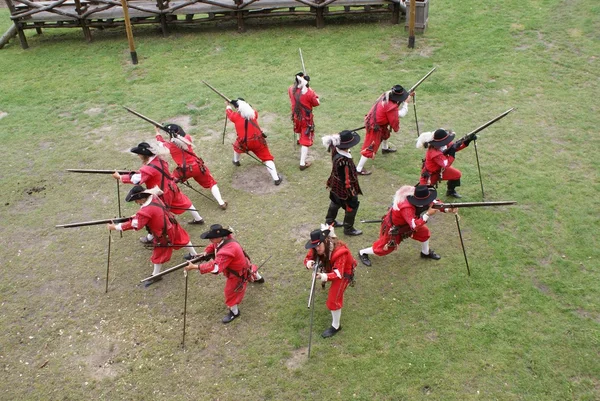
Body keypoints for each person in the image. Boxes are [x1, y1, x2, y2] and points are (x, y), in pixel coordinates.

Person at [112, 141, 205, 246]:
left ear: (144, 155)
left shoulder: (148, 168)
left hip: (162, 194)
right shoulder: (159, 160)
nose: (138, 156)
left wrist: (120, 177)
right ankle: (198, 218)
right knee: (185, 202)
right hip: (171, 187)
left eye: (139, 154)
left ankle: (152, 237)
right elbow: (144, 174)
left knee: (156, 217)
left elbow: (137, 180)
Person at [107, 186, 198, 287]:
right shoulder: (154, 197)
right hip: (171, 224)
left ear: (142, 198)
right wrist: (135, 216)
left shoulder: (145, 211)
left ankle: (156, 275)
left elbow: (136, 224)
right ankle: (195, 255)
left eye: (136, 200)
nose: (136, 202)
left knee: (159, 254)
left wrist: (115, 227)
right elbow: (143, 215)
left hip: (163, 234)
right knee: (183, 239)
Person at [357, 184, 456, 267]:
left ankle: (425, 253)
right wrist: (427, 214)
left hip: (409, 224)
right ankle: (363, 252)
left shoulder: (421, 195)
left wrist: (448, 209)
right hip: (396, 228)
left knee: (424, 233)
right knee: (384, 249)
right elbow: (414, 226)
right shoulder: (406, 207)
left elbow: (435, 203)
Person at [184, 224, 264, 324]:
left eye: (212, 238)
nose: (210, 240)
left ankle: (234, 312)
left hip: (237, 272)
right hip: (243, 264)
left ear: (219, 237)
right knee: (250, 269)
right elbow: (214, 245)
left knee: (230, 292)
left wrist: (194, 267)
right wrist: (206, 252)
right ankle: (259, 278)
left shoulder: (226, 250)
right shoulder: (225, 238)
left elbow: (216, 267)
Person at [155, 124, 228, 210]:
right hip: (197, 166)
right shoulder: (187, 138)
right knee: (211, 182)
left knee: (169, 184)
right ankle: (221, 202)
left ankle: (162, 202)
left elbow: (160, 143)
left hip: (183, 171)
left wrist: (157, 131)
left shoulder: (169, 146)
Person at [304, 226, 356, 338]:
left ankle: (336, 326)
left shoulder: (340, 252)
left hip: (344, 272)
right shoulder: (316, 247)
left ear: (325, 241)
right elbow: (308, 257)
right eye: (315, 246)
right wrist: (309, 262)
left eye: (319, 245)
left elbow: (338, 274)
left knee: (333, 300)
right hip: (331, 268)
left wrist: (322, 276)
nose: (317, 249)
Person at [355, 85, 412, 176]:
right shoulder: (391, 106)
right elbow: (401, 114)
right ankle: (358, 169)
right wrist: (406, 103)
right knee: (370, 147)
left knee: (385, 134)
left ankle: (385, 148)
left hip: (378, 123)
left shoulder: (386, 95)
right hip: (375, 126)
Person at [225, 99, 282, 185]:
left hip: (244, 142)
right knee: (267, 158)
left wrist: (228, 105)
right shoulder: (253, 113)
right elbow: (249, 109)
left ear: (238, 109)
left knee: (237, 146)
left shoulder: (235, 117)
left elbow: (229, 112)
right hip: (258, 141)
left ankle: (236, 160)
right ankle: (276, 178)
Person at [322, 130, 363, 236]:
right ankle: (348, 229)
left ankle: (329, 221)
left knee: (335, 201)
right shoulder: (344, 161)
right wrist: (352, 193)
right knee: (352, 205)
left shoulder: (335, 148)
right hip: (344, 188)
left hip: (335, 183)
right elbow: (347, 181)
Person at [416, 128, 476, 198]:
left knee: (457, 174)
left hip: (441, 170)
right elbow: (446, 163)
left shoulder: (443, 144)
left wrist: (467, 141)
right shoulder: (434, 153)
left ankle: (451, 191)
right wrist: (452, 152)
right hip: (430, 175)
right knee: (424, 195)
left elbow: (454, 147)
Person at [288, 72, 320, 170]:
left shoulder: (290, 89)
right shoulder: (309, 93)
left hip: (296, 116)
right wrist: (310, 89)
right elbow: (317, 103)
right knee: (306, 141)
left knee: (298, 128)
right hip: (306, 119)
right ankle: (302, 163)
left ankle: (298, 140)